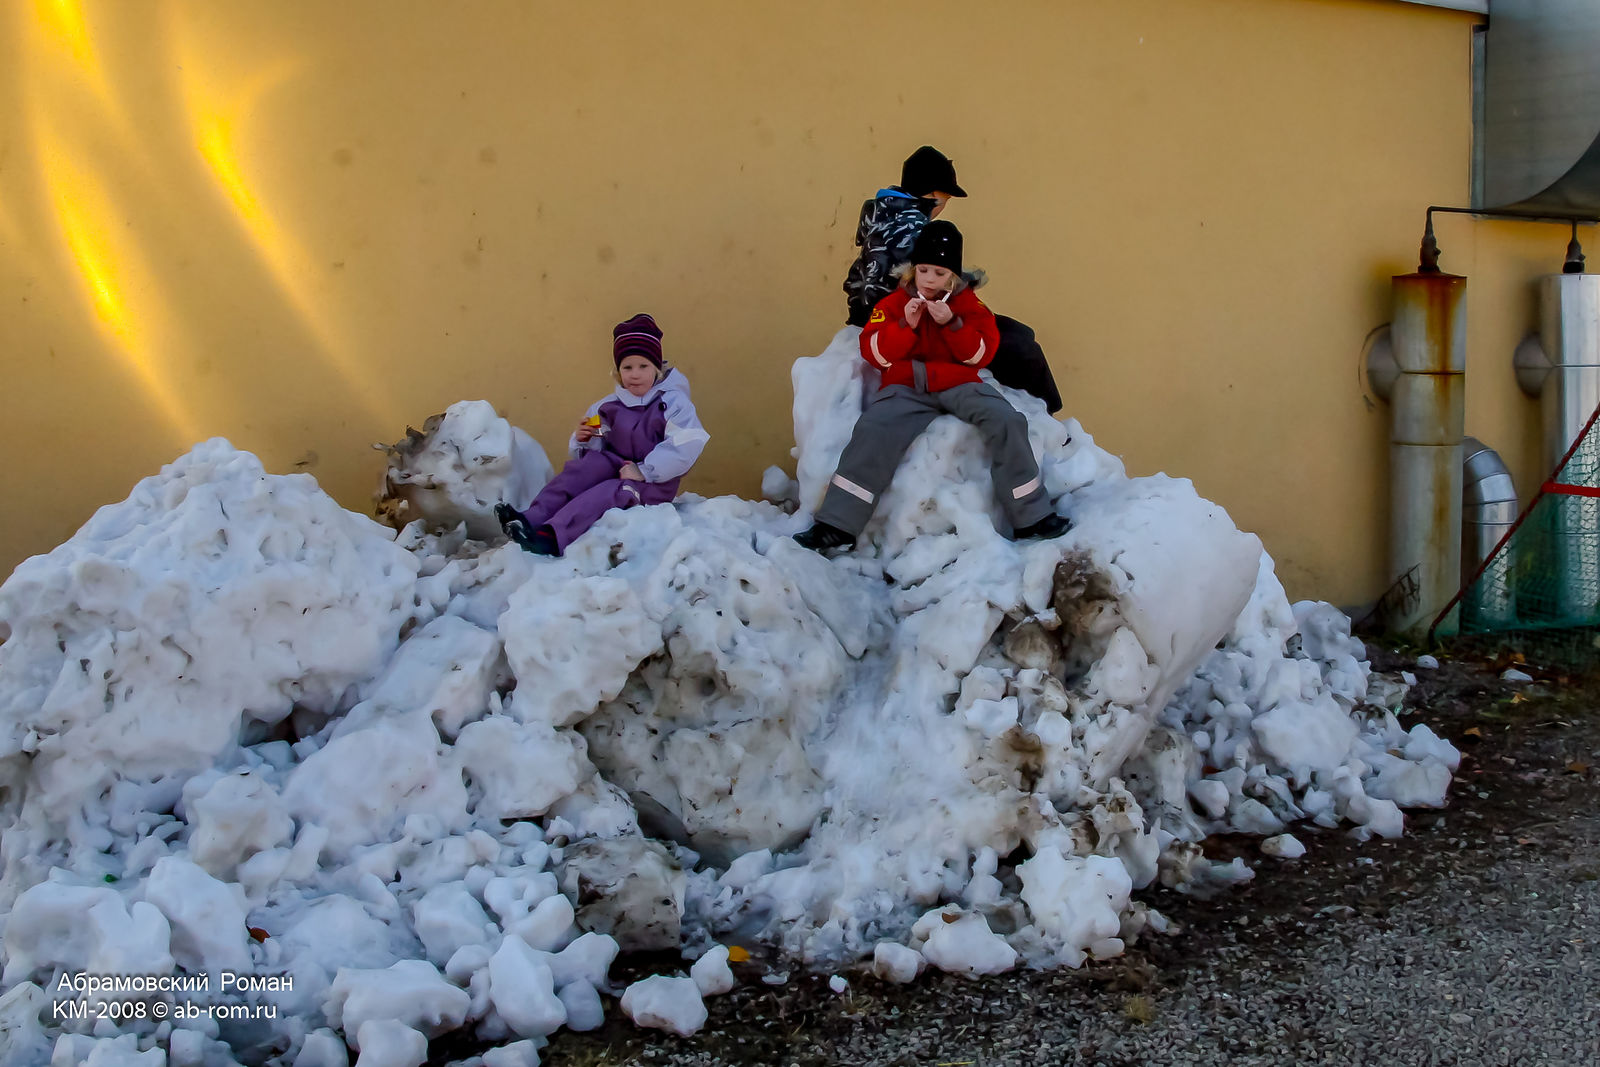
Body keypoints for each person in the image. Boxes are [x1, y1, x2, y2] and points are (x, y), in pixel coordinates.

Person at [796, 221, 1071, 553]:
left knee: (1008, 421)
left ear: (953, 276)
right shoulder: (892, 305)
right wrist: (905, 325)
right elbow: (876, 353)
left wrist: (952, 324)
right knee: (874, 428)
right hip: (906, 385)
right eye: (923, 270)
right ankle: (836, 525)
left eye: (939, 273)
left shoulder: (971, 308)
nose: (928, 279)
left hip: (959, 383)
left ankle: (1032, 517)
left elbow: (980, 354)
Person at [841, 146, 1063, 414]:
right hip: (909, 319)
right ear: (935, 195)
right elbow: (923, 283)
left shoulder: (883, 213)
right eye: (946, 198)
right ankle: (1048, 420)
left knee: (1019, 332)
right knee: (1021, 347)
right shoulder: (912, 224)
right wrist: (962, 284)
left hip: (875, 314)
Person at [496, 313, 708, 556]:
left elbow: (685, 444)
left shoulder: (673, 403)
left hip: (652, 484)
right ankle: (531, 518)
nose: (635, 374)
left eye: (643, 366)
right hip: (618, 467)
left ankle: (553, 535)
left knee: (610, 490)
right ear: (618, 371)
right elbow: (596, 441)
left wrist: (644, 471)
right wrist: (584, 438)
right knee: (585, 470)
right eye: (627, 367)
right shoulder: (607, 406)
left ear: (657, 369)